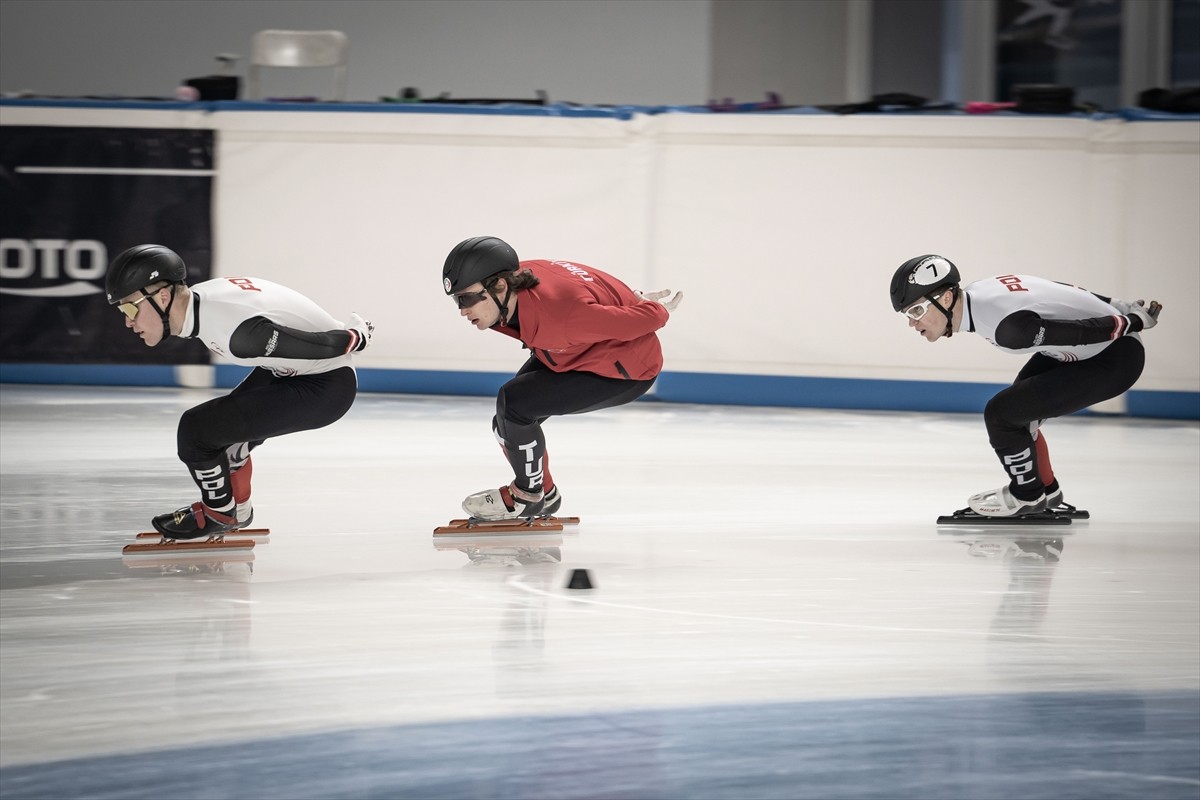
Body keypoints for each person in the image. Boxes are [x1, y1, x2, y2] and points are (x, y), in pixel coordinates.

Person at [105, 244, 373, 538]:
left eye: (130, 308)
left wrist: (354, 336)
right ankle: (238, 511)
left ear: (164, 296)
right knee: (225, 437)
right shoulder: (205, 304)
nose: (128, 322)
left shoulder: (235, 332)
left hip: (326, 386)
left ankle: (218, 514)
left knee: (196, 430)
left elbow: (319, 346)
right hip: (292, 371)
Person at [889, 254, 1161, 517]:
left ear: (946, 298)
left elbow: (1081, 331)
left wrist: (1131, 320)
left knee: (1001, 414)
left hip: (1113, 359)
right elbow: (1058, 290)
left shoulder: (1006, 329)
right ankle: (1046, 490)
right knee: (1018, 413)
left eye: (916, 310)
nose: (912, 323)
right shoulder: (981, 290)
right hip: (1089, 349)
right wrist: (1116, 303)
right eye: (907, 315)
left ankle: (1027, 496)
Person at [442, 236, 681, 520]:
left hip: (625, 371)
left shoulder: (562, 316)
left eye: (467, 298)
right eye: (457, 300)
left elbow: (641, 320)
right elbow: (588, 283)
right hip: (571, 351)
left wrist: (646, 308)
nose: (462, 310)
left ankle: (527, 497)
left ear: (501, 285)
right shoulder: (520, 280)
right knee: (506, 424)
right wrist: (627, 298)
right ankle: (545, 491)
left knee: (516, 406)